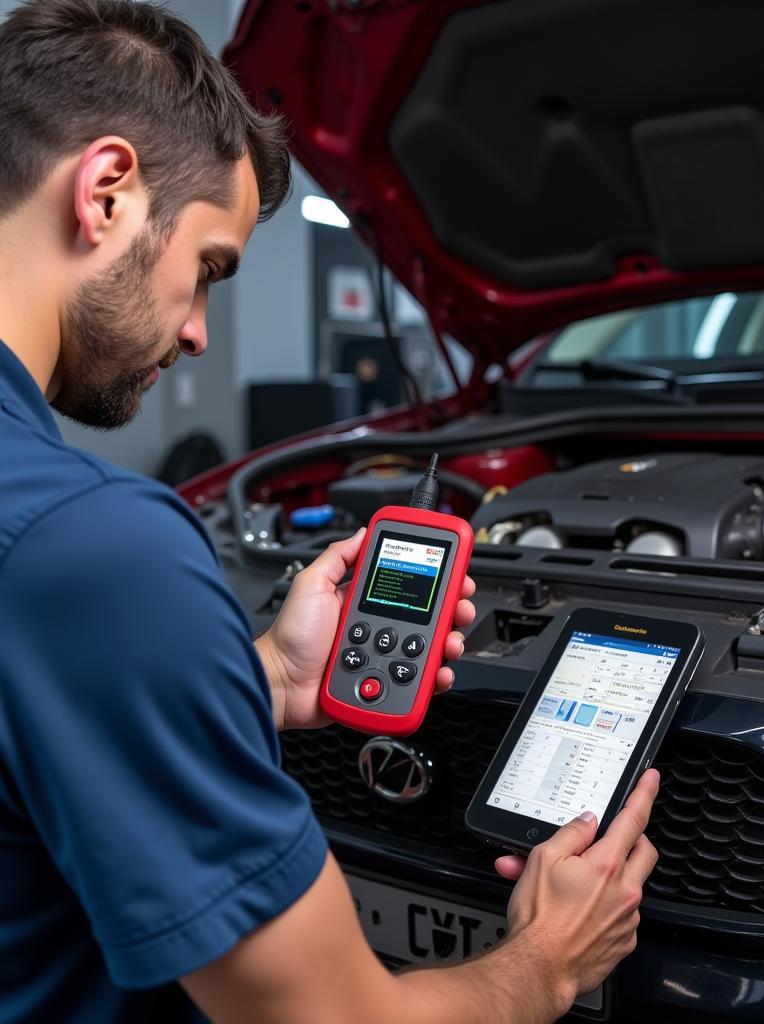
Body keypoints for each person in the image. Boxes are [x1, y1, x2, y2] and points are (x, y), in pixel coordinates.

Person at [0, 1, 661, 1022]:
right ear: (106, 193)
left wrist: (261, 672)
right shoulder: (96, 549)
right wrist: (549, 960)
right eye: (208, 269)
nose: (198, 330)